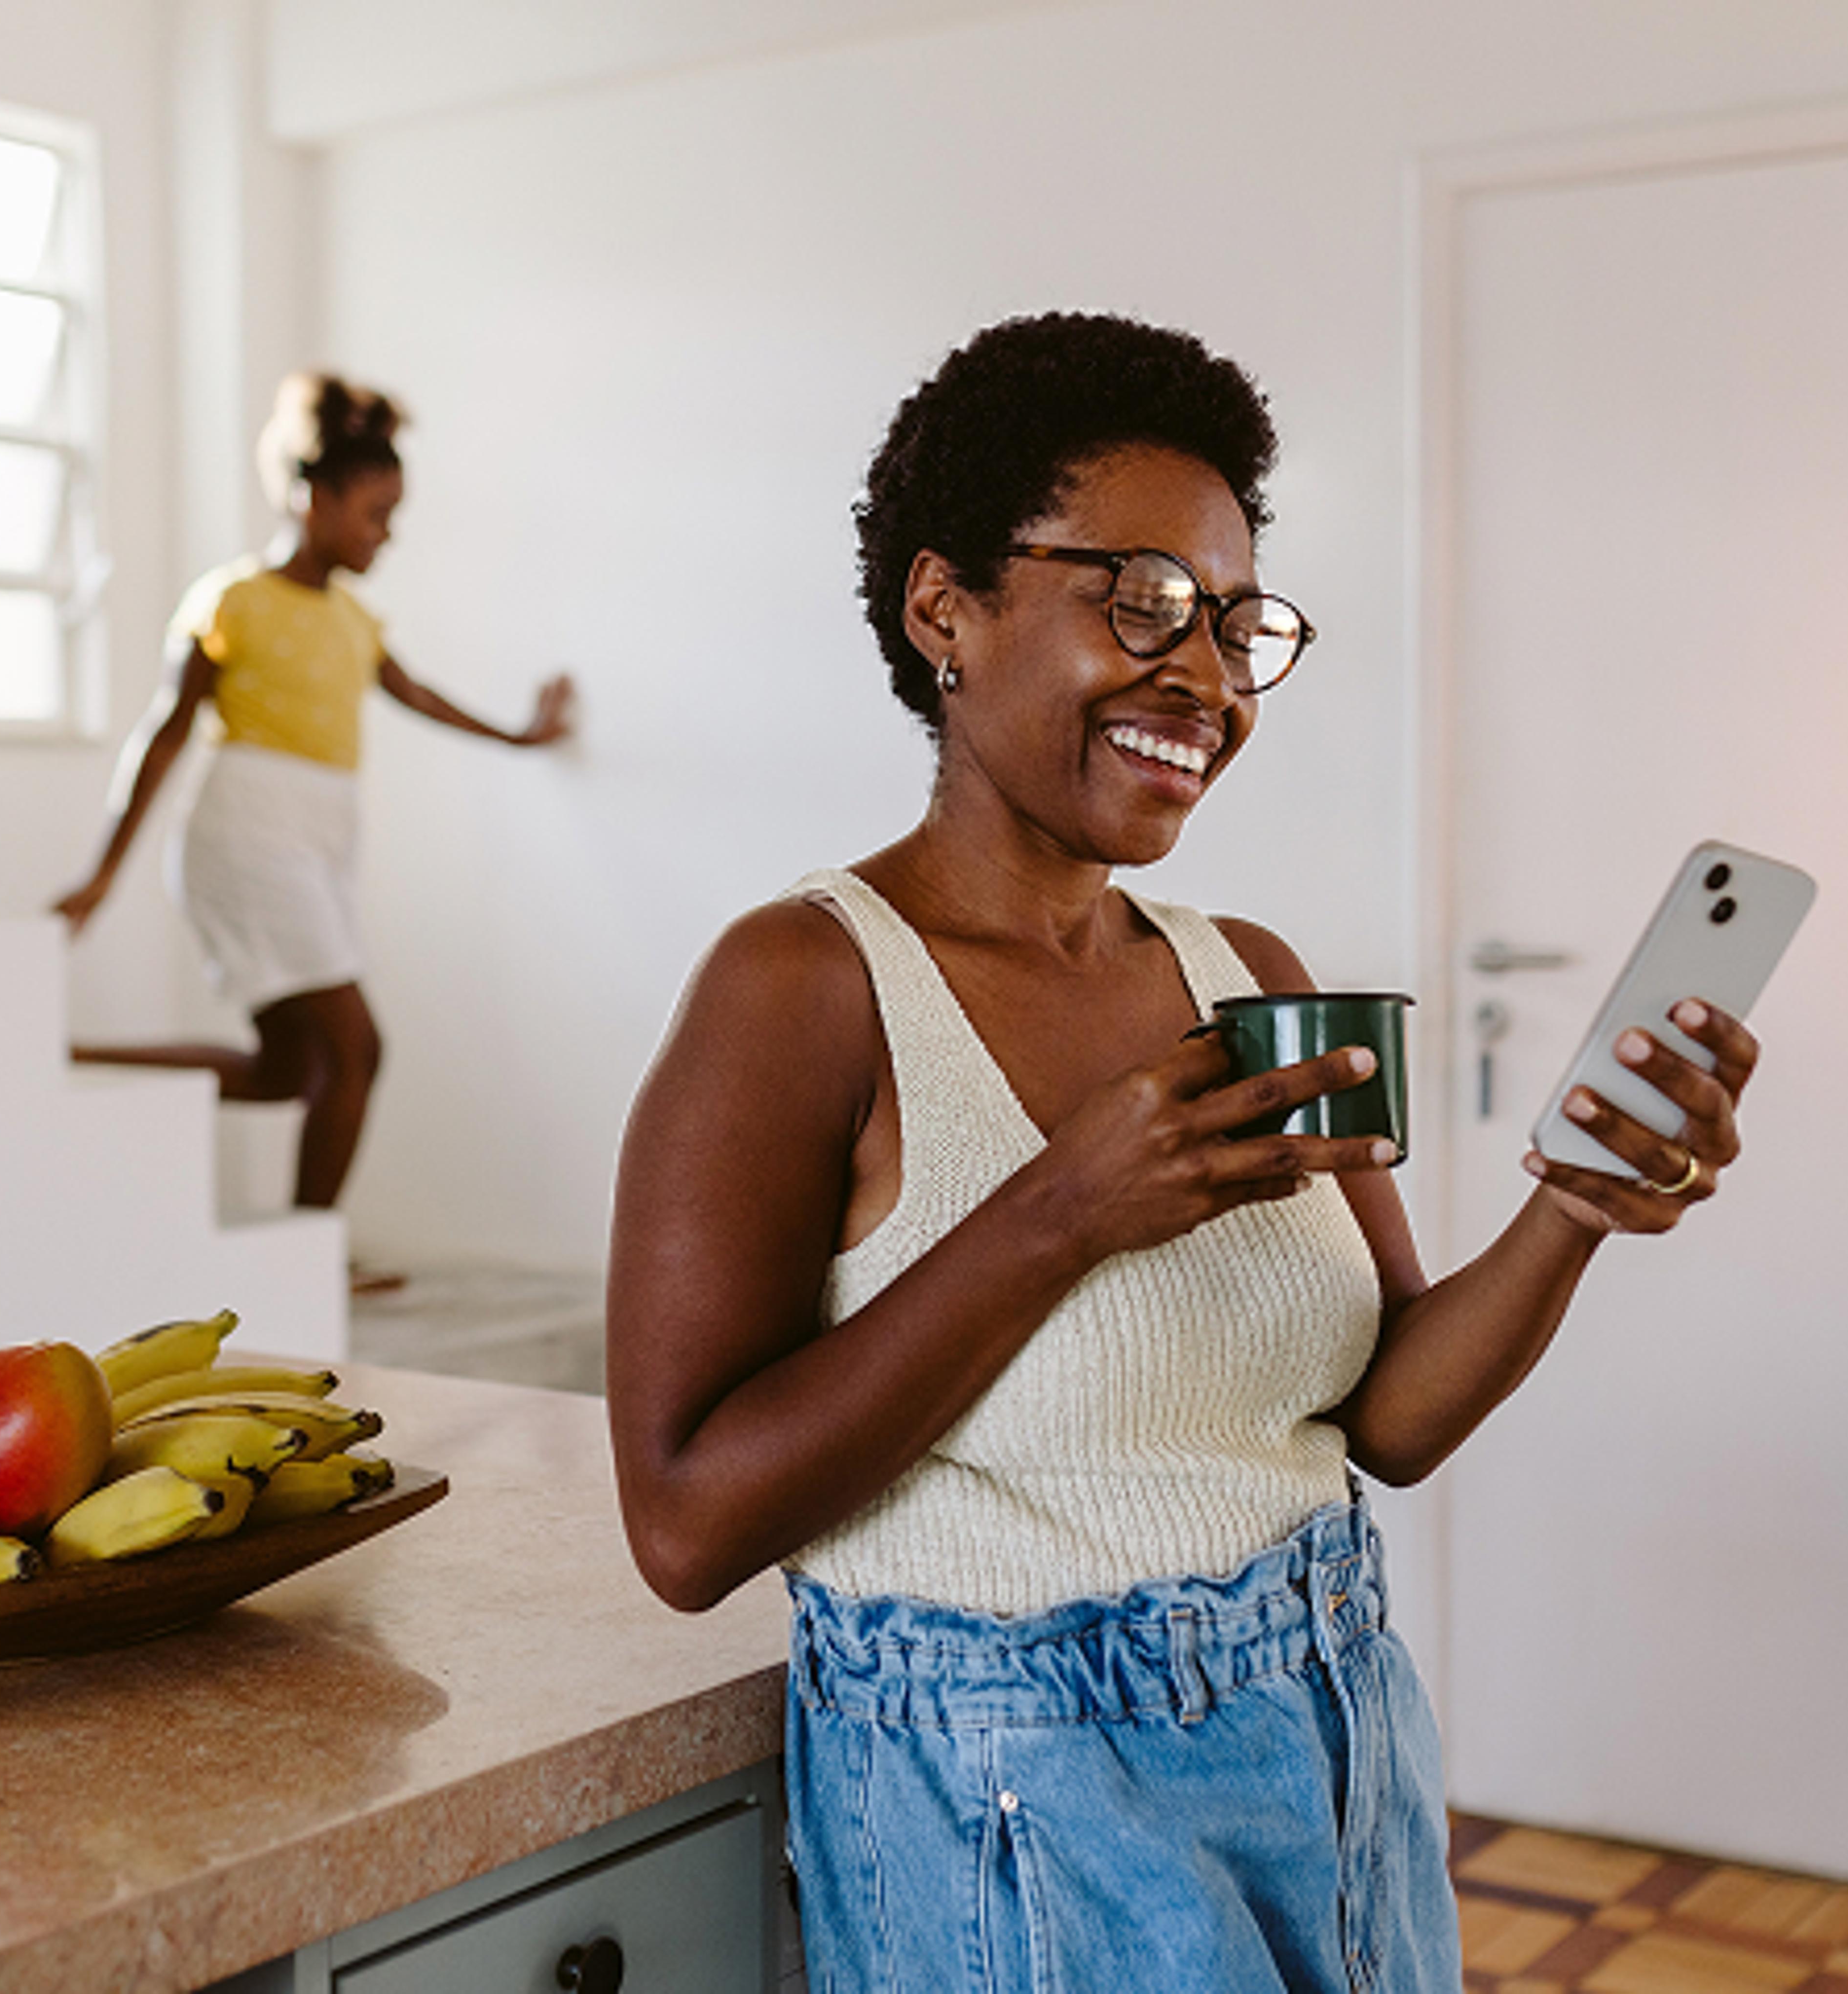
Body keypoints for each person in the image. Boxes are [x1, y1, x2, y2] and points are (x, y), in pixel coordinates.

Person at [603, 314, 1757, 1992]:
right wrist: (1057, 1213)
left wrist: (1569, 1209)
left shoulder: (1249, 971)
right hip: (1016, 1797)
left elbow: (1390, 1416)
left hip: (1333, 1728)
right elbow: (685, 1524)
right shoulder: (801, 986)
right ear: (947, 607)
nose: (1205, 677)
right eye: (1138, 602)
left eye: (1234, 625)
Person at [55, 373, 573, 1257]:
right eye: (375, 513)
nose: (387, 535)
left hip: (321, 838)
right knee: (358, 1049)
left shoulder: (355, 620)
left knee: (288, 1071)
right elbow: (166, 734)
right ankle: (311, 1259)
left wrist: (525, 737)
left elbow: (420, 697)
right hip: (248, 833)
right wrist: (104, 874)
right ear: (314, 497)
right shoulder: (234, 602)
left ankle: (76, 1061)